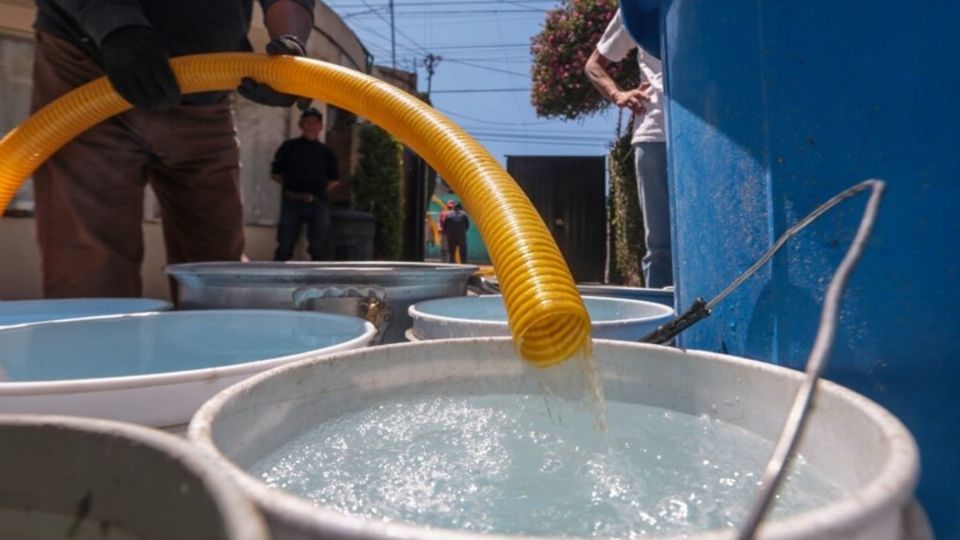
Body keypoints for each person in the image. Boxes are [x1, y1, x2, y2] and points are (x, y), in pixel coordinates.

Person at [31, 0, 316, 298]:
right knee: (91, 271)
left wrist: (289, 44)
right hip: (91, 63)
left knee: (217, 271)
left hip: (207, 87)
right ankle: (94, 341)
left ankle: (211, 340)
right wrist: (118, 26)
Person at [584, 8, 673, 288]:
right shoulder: (640, 6)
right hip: (655, 134)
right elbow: (593, 65)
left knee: (709, 234)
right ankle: (666, 327)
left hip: (707, 131)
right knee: (661, 246)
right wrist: (617, 94)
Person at [271, 108, 339, 261]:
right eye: (307, 122)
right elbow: (275, 174)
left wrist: (315, 191)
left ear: (320, 126)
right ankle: (276, 281)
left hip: (317, 203)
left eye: (315, 122)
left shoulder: (327, 152)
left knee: (318, 248)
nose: (311, 126)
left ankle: (318, 282)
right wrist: (293, 186)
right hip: (292, 202)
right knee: (285, 246)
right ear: (301, 125)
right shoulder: (288, 147)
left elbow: (334, 180)